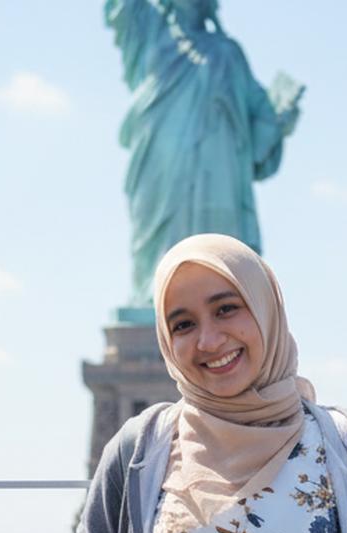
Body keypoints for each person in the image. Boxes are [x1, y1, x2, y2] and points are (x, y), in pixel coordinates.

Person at [61, 234, 347, 533]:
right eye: (183, 324)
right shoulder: (142, 446)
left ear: (265, 307)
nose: (208, 340)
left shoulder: (346, 449)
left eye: (226, 309)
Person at [104, 0, 304, 308]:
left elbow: (260, 117)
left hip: (218, 170)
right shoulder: (148, 29)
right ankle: (160, 297)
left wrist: (278, 119)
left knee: (220, 258)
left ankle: (222, 301)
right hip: (160, 163)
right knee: (159, 256)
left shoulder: (228, 53)